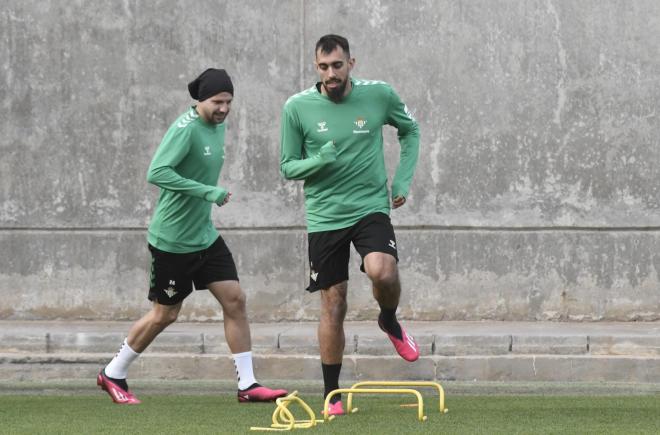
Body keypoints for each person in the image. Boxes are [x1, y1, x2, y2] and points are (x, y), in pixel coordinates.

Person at [98, 68, 287, 405]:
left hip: (204, 235)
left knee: (235, 299)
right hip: (172, 240)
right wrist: (206, 192)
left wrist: (205, 197)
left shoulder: (218, 125)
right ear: (201, 100)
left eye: (229, 102)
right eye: (217, 102)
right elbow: (156, 172)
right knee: (165, 314)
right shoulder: (184, 130)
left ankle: (248, 385)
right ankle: (113, 372)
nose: (224, 109)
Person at [279, 35, 420, 416]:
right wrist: (319, 160)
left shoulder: (379, 95)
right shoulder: (297, 107)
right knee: (333, 302)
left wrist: (402, 181)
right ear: (316, 67)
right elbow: (288, 166)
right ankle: (332, 396)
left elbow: (410, 130)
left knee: (382, 271)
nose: (330, 74)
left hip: (370, 207)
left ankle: (388, 319)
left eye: (337, 65)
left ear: (350, 63)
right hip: (325, 216)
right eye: (323, 67)